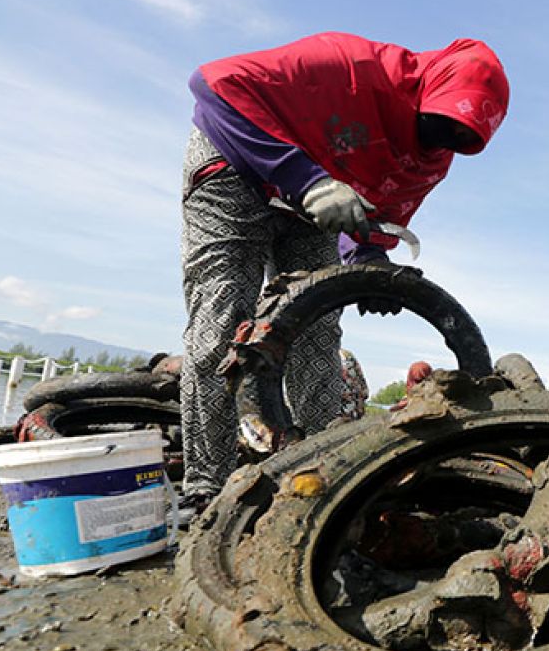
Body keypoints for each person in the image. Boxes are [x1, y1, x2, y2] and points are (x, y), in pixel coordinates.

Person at [179, 32, 510, 513]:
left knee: (315, 328)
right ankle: (205, 487)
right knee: (223, 320)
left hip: (314, 201)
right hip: (234, 164)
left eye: (462, 136)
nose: (447, 140)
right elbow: (212, 84)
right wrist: (304, 179)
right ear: (429, 88)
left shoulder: (432, 158)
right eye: (443, 123)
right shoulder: (349, 64)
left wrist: (369, 257)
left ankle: (320, 474)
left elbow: (380, 209)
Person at [338, 348, 369, 420]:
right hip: (337, 402)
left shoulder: (347, 354)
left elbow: (359, 375)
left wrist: (364, 391)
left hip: (354, 400)